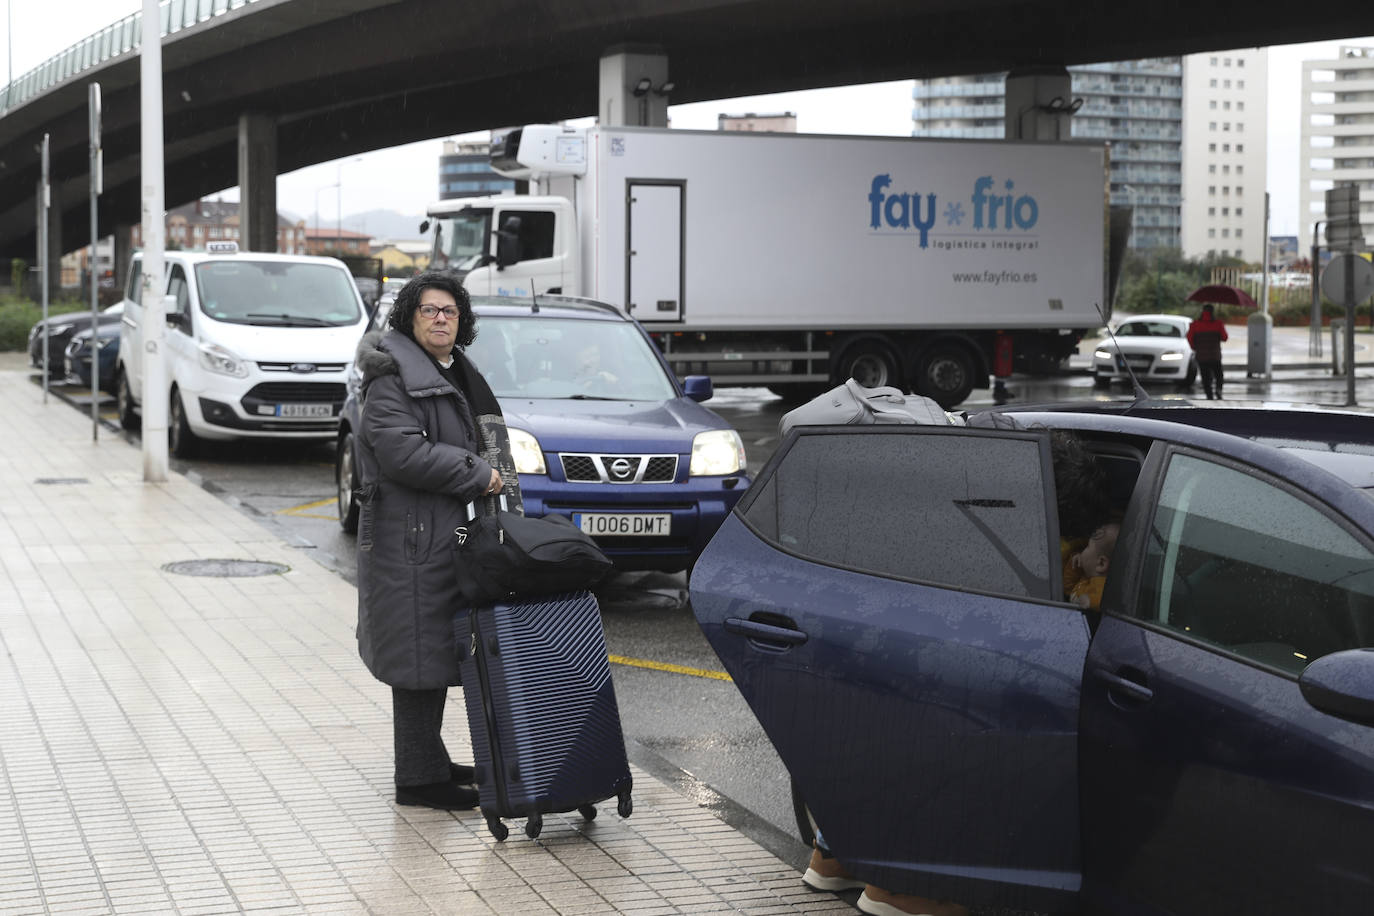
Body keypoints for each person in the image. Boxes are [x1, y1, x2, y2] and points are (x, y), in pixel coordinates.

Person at [352, 271, 511, 810]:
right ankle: (418, 781)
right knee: (418, 660)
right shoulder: (390, 380)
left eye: (449, 311)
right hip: (409, 539)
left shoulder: (450, 371)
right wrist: (478, 473)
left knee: (433, 653)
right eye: (429, 310)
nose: (440, 318)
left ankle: (428, 759)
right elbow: (404, 454)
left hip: (436, 535)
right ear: (408, 318)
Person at [1062, 521, 1121, 610]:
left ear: (1101, 563)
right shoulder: (1085, 577)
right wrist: (1075, 566)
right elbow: (1067, 588)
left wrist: (1089, 601)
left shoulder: (1102, 588)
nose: (1082, 551)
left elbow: (1103, 600)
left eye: (1087, 547)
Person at [1187, 304, 1229, 399]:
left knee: (1205, 377)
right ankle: (1218, 389)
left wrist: (1195, 347)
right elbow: (1225, 338)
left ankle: (1209, 395)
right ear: (1212, 312)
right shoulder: (1218, 324)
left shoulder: (1195, 324)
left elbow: (1189, 337)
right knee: (1219, 375)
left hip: (1202, 356)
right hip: (1215, 356)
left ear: (1203, 311)